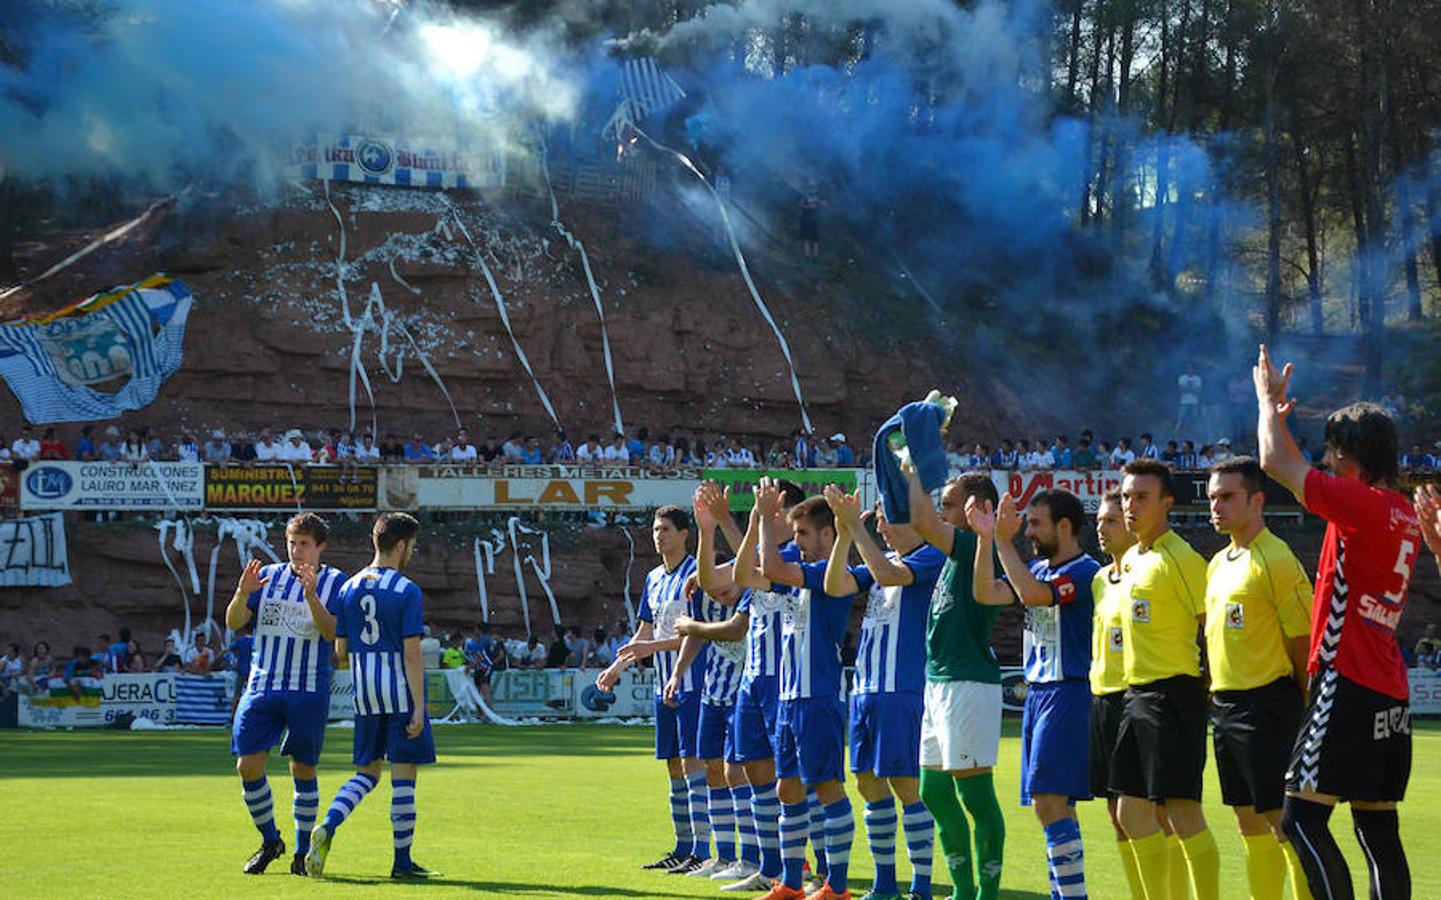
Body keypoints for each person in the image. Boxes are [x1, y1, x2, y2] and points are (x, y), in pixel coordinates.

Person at [1254, 344, 1420, 899]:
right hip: (1389, 690)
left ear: (1353, 457)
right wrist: (1285, 423)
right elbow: (1300, 464)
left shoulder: (1361, 505)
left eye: (1331, 454)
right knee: (1378, 830)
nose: (1324, 463)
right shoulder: (1402, 514)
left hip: (1345, 678)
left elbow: (1275, 464)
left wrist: (1264, 403)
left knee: (1300, 820)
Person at [822, 486, 944, 900]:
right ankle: (884, 882)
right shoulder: (882, 561)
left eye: (886, 520)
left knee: (907, 785)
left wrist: (858, 528)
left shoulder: (931, 555)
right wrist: (843, 534)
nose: (882, 528)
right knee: (868, 783)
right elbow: (835, 585)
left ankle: (922, 885)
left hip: (902, 688)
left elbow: (892, 576)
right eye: (876, 520)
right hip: (867, 689)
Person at [686, 479, 808, 893]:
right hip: (753, 680)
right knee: (755, 770)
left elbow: (755, 570)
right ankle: (771, 867)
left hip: (788, 678)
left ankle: (809, 867)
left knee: (795, 775)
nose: (761, 511)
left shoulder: (796, 560)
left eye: (769, 506)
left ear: (789, 515)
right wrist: (708, 530)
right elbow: (710, 580)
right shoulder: (755, 560)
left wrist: (731, 521)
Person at [1203, 456, 1313, 900]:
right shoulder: (1217, 563)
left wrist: (1307, 716)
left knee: (1283, 823)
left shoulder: (1277, 559)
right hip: (1226, 708)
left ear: (1257, 501)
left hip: (1269, 705)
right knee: (1248, 823)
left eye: (1228, 497)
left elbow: (1304, 644)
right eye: (1213, 497)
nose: (1217, 506)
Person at [901, 467, 1014, 900]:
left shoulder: (970, 546)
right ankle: (962, 890)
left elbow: (921, 521)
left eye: (950, 504)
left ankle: (984, 893)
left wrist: (913, 470)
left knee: (975, 794)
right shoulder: (955, 555)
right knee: (933, 790)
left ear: (979, 511)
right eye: (944, 503)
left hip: (967, 683)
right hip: (940, 683)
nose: (943, 512)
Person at [308, 512, 438, 880]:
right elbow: (412, 652)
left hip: (365, 694)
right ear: (401, 545)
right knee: (403, 776)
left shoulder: (348, 588)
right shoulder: (406, 590)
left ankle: (329, 825)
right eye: (411, 546)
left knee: (366, 772)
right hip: (398, 691)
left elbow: (341, 650)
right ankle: (401, 862)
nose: (411, 551)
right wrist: (418, 706)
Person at [1111, 458, 1218, 899]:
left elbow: (1209, 624)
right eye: (1126, 497)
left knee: (1181, 812)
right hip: (1134, 693)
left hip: (1174, 693)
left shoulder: (1183, 558)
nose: (1130, 506)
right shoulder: (1134, 557)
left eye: (1141, 498)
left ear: (1167, 504)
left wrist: (1207, 688)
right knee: (1129, 813)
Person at [986, 488, 1100, 899]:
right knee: (1052, 806)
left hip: (1067, 691)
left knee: (1049, 802)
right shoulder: (1037, 567)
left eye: (1036, 523)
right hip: (1039, 695)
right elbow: (986, 594)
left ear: (1064, 526)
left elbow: (1034, 596)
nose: (1027, 531)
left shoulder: (1085, 571)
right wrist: (986, 539)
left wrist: (1002, 541)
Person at [224, 513, 348, 876]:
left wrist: (311, 597)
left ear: (320, 546)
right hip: (262, 686)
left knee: (303, 768)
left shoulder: (335, 582)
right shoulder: (269, 577)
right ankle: (269, 840)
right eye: (292, 542)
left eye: (304, 543)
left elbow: (332, 635)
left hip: (307, 688)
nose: (296, 550)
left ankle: (300, 850)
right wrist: (242, 591)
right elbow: (233, 622)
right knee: (247, 766)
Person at [755, 486, 857, 900]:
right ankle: (792, 882)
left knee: (829, 787)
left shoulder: (828, 573)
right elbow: (750, 575)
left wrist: (764, 519)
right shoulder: (800, 574)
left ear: (828, 536)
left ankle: (838, 885)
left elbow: (770, 567)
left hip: (818, 696)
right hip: (791, 696)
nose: (795, 541)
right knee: (788, 789)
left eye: (801, 533)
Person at [595, 506, 707, 874]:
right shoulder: (654, 577)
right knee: (673, 765)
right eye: (656, 529)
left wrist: (650, 648)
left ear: (684, 533)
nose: (659, 535)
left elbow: (697, 634)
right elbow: (645, 632)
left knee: (694, 763)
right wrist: (617, 665)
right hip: (664, 686)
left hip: (693, 682)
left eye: (666, 529)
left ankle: (703, 851)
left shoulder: (697, 573)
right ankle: (683, 846)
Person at [1177, 363, 1203, 437]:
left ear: (1194, 369)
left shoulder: (1198, 378)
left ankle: (1193, 436)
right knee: (1181, 419)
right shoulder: (1182, 378)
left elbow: (1198, 391)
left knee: (1194, 420)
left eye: (1191, 368)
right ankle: (1177, 435)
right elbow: (1181, 389)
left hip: (1195, 403)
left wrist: (1187, 388)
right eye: (1188, 368)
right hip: (1184, 403)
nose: (1190, 370)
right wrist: (1192, 389)